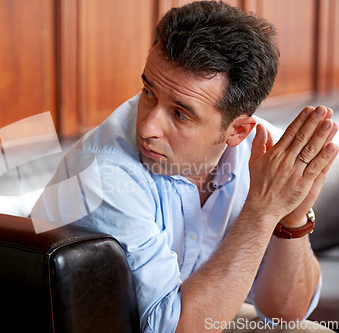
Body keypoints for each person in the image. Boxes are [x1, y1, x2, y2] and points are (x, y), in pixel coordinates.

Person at [32, 1, 339, 332]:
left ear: (237, 130)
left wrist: (290, 217)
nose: (148, 126)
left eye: (180, 113)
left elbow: (284, 315)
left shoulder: (260, 150)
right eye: (149, 92)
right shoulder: (102, 173)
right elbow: (173, 329)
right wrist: (261, 211)